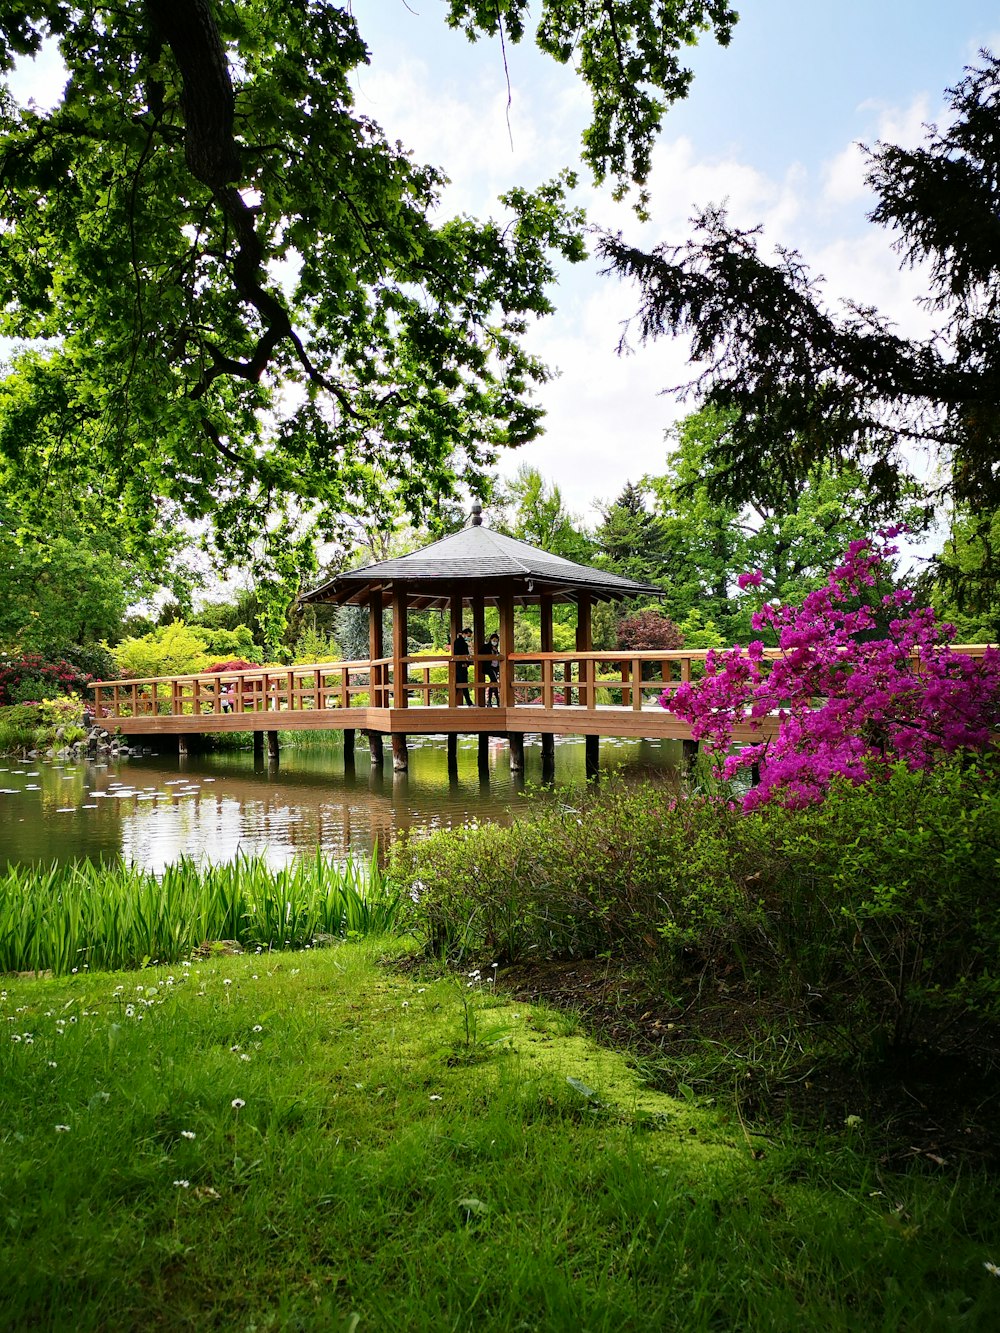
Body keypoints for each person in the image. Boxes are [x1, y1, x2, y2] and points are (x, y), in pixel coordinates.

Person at [453, 626, 473, 705]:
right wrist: (463, 663)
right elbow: (457, 654)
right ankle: (469, 702)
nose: (468, 638)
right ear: (464, 634)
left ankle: (452, 702)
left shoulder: (461, 642)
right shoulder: (458, 642)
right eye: (468, 636)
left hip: (461, 666)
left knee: (459, 684)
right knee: (464, 684)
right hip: (460, 666)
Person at [481, 632, 500, 706]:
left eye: (496, 640)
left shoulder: (496, 649)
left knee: (493, 683)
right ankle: (496, 700)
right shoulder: (486, 647)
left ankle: (490, 701)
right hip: (489, 667)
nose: (495, 642)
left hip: (495, 667)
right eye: (494, 640)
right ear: (491, 640)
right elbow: (480, 653)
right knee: (494, 681)